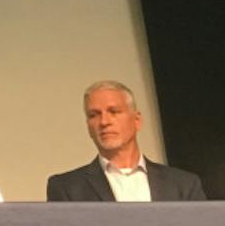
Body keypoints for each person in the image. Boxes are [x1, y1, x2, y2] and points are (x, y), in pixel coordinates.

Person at [46, 80, 205, 202]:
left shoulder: (183, 185)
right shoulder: (67, 188)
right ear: (88, 126)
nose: (104, 122)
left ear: (137, 121)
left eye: (114, 112)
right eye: (94, 115)